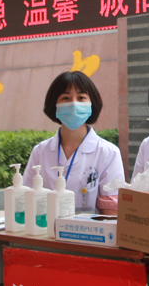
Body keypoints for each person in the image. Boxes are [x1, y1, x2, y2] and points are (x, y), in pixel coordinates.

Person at [23, 70, 125, 212]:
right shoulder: (40, 151)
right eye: (65, 98)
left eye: (81, 97)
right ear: (54, 105)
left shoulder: (108, 153)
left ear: (92, 103)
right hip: (43, 231)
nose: (73, 104)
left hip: (89, 232)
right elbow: (25, 199)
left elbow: (111, 212)